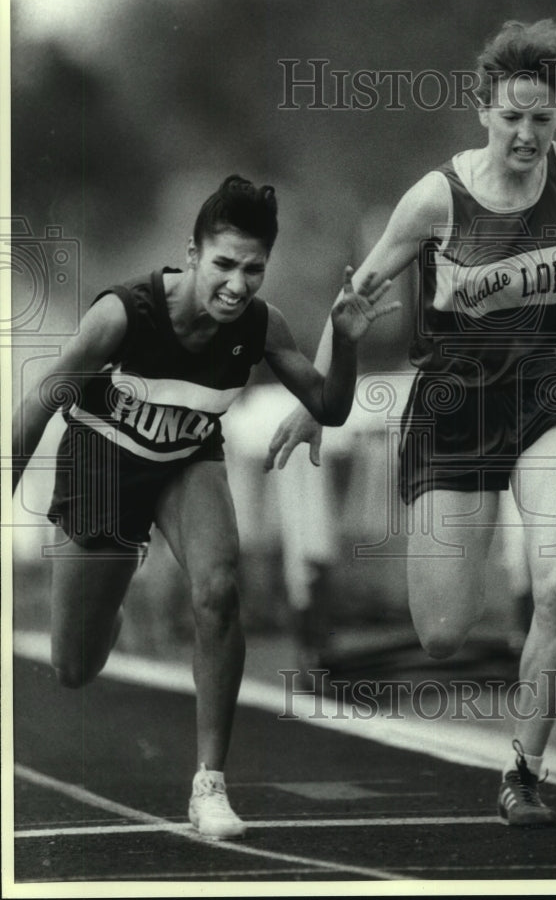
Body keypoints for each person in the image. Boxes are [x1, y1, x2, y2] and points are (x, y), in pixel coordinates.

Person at [264, 19, 556, 827]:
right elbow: (350, 302)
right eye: (512, 118)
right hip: (456, 407)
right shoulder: (436, 198)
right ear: (482, 113)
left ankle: (523, 774)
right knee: (440, 633)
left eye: (542, 118)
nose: (528, 134)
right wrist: (315, 402)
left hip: (551, 393)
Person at [11, 175, 399, 839]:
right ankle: (114, 580)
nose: (236, 285)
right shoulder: (121, 315)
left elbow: (327, 407)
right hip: (103, 467)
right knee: (75, 667)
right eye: (223, 265)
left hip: (186, 465)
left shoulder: (260, 324)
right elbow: (38, 404)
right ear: (192, 256)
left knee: (220, 590)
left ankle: (209, 784)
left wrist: (347, 336)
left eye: (252, 269)